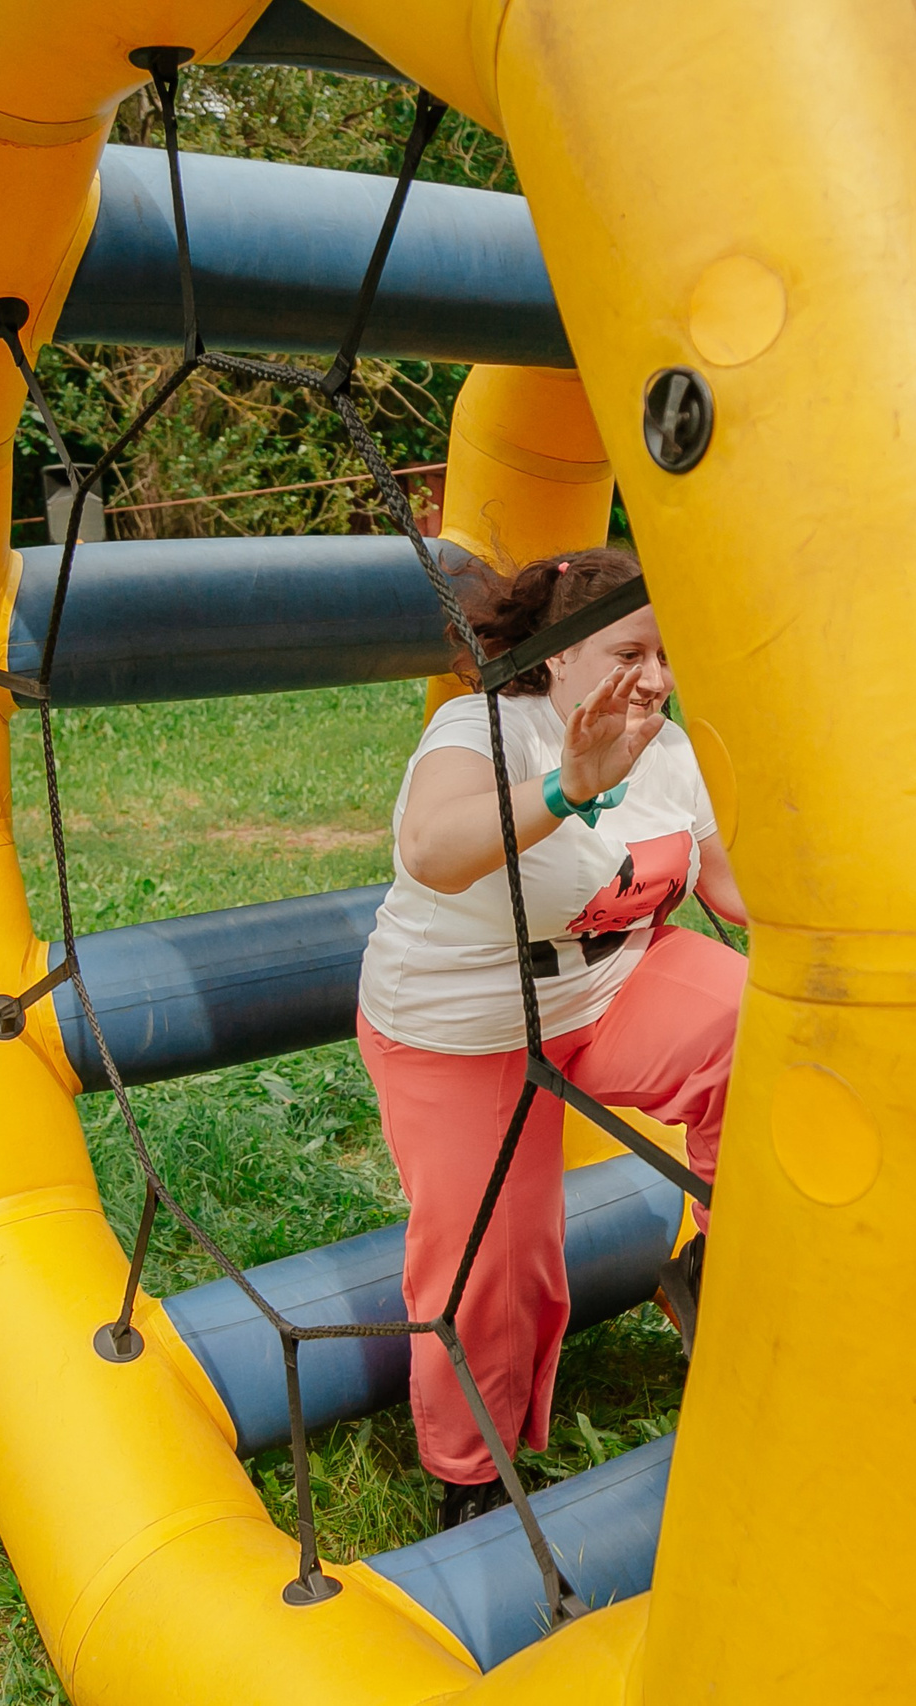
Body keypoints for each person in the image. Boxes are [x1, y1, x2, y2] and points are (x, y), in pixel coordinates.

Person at [356, 546, 747, 1530]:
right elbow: (432, 851)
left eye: (667, 654)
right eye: (630, 650)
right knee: (497, 1264)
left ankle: (721, 1269)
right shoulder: (484, 727)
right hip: (463, 1028)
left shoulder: (669, 745)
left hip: (609, 991)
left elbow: (737, 895)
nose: (655, 677)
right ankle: (471, 1471)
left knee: (764, 1030)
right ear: (562, 656)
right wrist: (568, 788)